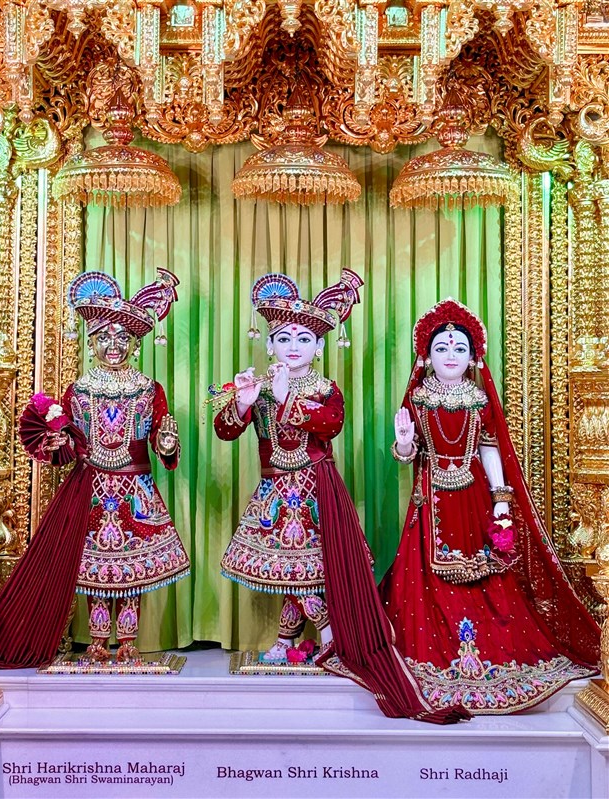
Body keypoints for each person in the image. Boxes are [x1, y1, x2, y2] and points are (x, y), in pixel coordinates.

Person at [214, 272, 468, 723]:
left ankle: (328, 636)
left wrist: (286, 398)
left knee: (311, 567)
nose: (294, 346)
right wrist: (243, 402)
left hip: (317, 489)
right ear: (269, 345)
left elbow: (330, 425)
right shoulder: (258, 386)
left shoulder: (326, 390)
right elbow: (226, 431)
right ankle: (291, 639)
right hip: (275, 490)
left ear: (319, 347)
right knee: (291, 567)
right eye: (284, 338)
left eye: (304, 339)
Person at [380, 298, 600, 713]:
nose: (450, 355)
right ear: (426, 356)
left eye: (459, 348)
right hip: (430, 503)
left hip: (475, 498)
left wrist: (501, 502)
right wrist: (405, 443)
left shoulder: (479, 402)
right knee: (423, 579)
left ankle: (490, 655)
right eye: (441, 348)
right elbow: (407, 455)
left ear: (473, 358)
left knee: (488, 573)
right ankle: (430, 656)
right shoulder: (418, 400)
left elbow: (489, 450)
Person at [0, 269, 189, 668]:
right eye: (104, 337)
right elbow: (72, 443)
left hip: (135, 488)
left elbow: (162, 439)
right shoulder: (79, 390)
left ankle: (128, 642)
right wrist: (57, 443)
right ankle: (97, 641)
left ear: (135, 344)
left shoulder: (149, 389)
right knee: (93, 570)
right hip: (89, 487)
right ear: (91, 343)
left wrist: (166, 443)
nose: (114, 345)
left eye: (122, 338)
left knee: (131, 570)